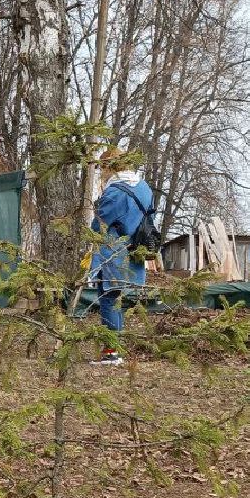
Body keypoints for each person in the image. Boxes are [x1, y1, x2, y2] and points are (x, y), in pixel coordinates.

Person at [89, 147, 154, 366]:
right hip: (135, 249)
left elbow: (100, 223)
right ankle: (115, 348)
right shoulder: (144, 187)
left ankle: (111, 352)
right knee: (116, 299)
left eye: (103, 169)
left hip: (113, 251)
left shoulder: (114, 191)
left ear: (109, 167)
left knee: (108, 297)